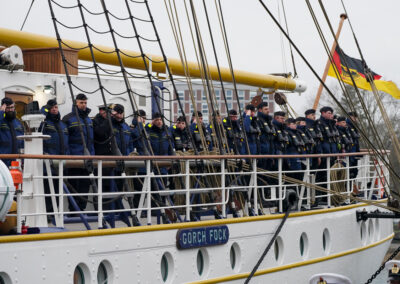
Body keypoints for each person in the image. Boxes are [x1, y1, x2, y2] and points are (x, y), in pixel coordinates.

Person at [62, 93, 94, 212]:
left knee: (85, 186)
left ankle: (82, 209)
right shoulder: (68, 119)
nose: (84, 105)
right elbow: (66, 140)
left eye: (85, 103)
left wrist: (92, 156)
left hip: (87, 159)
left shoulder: (88, 120)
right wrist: (69, 157)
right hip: (74, 160)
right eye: (81, 103)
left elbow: (91, 140)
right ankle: (74, 211)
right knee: (74, 185)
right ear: (76, 103)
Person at [39, 99, 69, 214]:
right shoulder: (44, 123)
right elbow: (38, 134)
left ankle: (57, 212)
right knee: (48, 190)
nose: (55, 109)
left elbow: (67, 144)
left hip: (62, 164)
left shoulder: (63, 125)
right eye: (52, 108)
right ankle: (48, 213)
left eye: (56, 107)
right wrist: (45, 110)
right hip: (48, 165)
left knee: (58, 190)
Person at [0, 97, 24, 166]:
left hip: (16, 161)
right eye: (8, 108)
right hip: (2, 161)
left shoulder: (18, 123)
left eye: (12, 107)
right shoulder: (1, 121)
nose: (10, 110)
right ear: (3, 108)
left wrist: (23, 160)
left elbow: (22, 142)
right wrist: (1, 112)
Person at [257, 102, 275, 169]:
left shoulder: (269, 121)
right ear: (260, 110)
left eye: (268, 109)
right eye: (266, 109)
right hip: (262, 153)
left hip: (269, 153)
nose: (268, 111)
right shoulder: (258, 121)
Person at [346, 112, 361, 179]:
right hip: (350, 150)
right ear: (350, 117)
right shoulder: (347, 126)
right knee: (350, 169)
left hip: (354, 150)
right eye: (353, 116)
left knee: (354, 170)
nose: (355, 118)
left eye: (356, 117)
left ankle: (351, 185)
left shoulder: (354, 126)